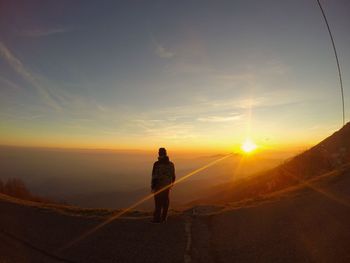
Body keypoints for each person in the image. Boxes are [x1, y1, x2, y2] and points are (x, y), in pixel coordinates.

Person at [151, 147, 175, 223]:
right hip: (167, 185)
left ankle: (157, 219)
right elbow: (173, 176)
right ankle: (164, 218)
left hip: (158, 185)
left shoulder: (157, 164)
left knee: (158, 202)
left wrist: (153, 186)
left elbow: (154, 176)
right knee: (165, 201)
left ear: (159, 153)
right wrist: (171, 184)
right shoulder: (171, 164)